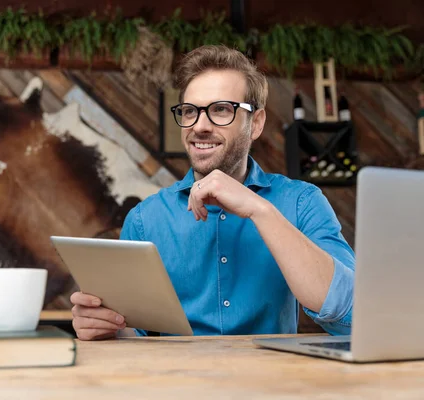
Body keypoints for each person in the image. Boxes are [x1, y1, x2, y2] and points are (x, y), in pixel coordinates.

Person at [70, 44, 355, 340]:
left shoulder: (301, 202)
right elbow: (134, 337)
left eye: (221, 110)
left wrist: (259, 209)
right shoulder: (145, 219)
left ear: (255, 123)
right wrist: (106, 328)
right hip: (176, 384)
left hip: (273, 383)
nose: (200, 126)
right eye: (190, 111)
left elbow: (352, 313)